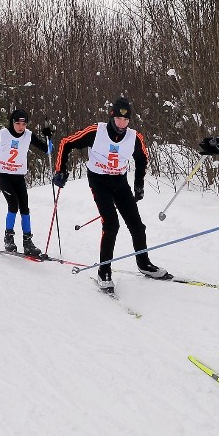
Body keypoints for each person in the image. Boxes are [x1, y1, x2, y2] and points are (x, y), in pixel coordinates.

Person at [52, 96, 168, 292]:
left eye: (126, 120)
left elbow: (142, 159)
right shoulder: (96, 131)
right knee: (111, 224)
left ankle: (144, 264)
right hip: (99, 182)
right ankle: (104, 271)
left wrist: (138, 185)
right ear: (112, 116)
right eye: (118, 119)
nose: (122, 124)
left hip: (120, 182)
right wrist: (60, 170)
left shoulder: (134, 137)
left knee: (137, 225)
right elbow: (66, 143)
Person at [0, 108, 50, 256]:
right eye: (18, 123)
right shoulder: (3, 134)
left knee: (25, 208)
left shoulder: (28, 135)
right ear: (12, 123)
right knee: (13, 205)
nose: (21, 127)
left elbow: (48, 150)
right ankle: (9, 238)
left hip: (19, 176)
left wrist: (48, 138)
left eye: (24, 124)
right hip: (4, 175)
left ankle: (28, 242)